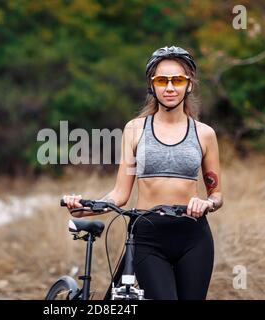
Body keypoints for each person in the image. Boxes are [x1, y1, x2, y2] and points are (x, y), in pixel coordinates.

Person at [62, 45, 223, 300]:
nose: (170, 87)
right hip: (148, 236)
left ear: (189, 84)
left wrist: (206, 203)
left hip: (194, 237)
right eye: (162, 80)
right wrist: (84, 207)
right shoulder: (135, 130)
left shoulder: (204, 134)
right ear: (152, 85)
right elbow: (120, 194)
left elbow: (217, 194)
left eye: (178, 80)